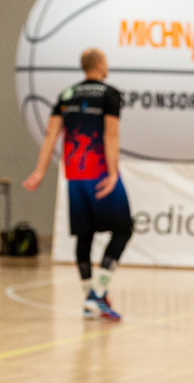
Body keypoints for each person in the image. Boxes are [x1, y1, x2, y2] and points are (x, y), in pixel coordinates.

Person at [23, 48, 131, 321]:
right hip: (99, 173)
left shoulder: (67, 94)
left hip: (74, 174)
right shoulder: (110, 94)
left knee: (85, 236)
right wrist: (113, 173)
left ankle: (89, 299)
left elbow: (50, 136)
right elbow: (111, 134)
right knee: (123, 230)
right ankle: (98, 293)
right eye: (106, 60)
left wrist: (39, 172)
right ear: (99, 64)